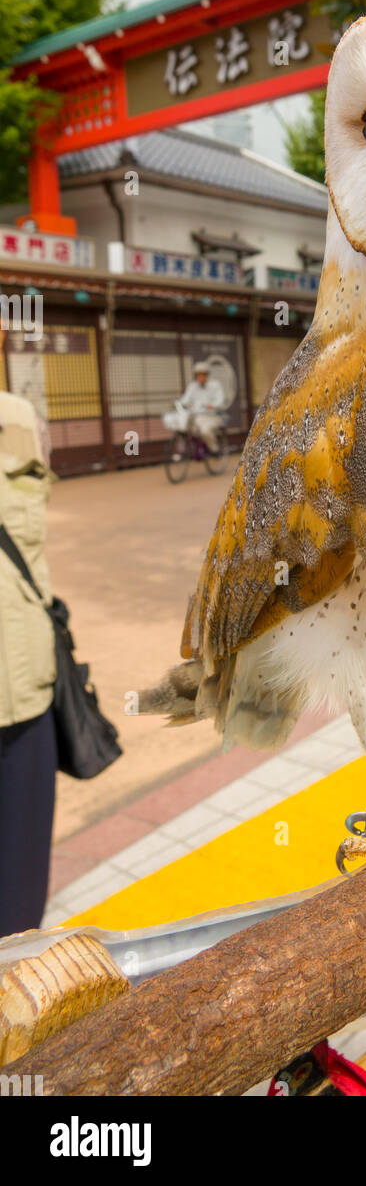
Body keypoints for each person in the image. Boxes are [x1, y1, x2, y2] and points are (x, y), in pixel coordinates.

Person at [0, 330, 58, 937]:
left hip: (24, 694)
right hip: (20, 691)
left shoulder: (14, 416)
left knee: (19, 905)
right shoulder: (14, 418)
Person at [177, 361, 224, 453]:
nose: (200, 377)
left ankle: (214, 449)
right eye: (198, 375)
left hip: (212, 416)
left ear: (207, 375)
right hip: (196, 417)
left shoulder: (215, 385)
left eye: (202, 375)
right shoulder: (193, 386)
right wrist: (178, 403)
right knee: (183, 428)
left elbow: (220, 400)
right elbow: (186, 399)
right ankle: (186, 450)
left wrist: (213, 405)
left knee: (204, 431)